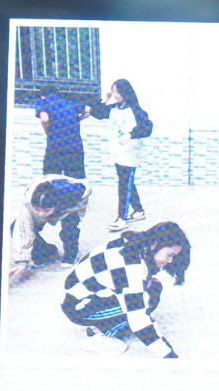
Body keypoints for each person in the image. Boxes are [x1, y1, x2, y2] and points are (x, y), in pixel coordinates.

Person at [60, 222, 191, 359]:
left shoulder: (133, 244)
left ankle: (109, 322)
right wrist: (169, 357)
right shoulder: (130, 267)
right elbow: (138, 319)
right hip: (77, 308)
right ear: (154, 244)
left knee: (153, 288)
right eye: (169, 255)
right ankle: (98, 334)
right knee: (145, 301)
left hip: (84, 296)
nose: (170, 261)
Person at [7, 176, 89, 284]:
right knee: (15, 227)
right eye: (37, 209)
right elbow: (24, 230)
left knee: (70, 227)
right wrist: (22, 260)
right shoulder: (28, 201)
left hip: (68, 207)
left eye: (46, 210)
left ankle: (71, 253)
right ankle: (47, 252)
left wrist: (69, 213)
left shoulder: (75, 193)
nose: (41, 214)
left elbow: (84, 196)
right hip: (48, 204)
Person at [102, 77, 151, 226]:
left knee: (124, 184)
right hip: (118, 152)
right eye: (113, 91)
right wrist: (106, 99)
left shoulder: (136, 110)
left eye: (117, 92)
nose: (115, 95)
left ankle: (122, 218)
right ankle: (138, 210)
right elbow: (96, 112)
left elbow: (147, 127)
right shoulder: (114, 108)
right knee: (127, 182)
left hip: (130, 153)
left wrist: (130, 134)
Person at [34, 89, 87, 181]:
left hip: (55, 146)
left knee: (51, 178)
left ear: (43, 96)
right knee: (75, 180)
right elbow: (90, 110)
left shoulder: (43, 102)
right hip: (74, 147)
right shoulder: (70, 103)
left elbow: (44, 119)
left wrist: (47, 130)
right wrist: (77, 119)